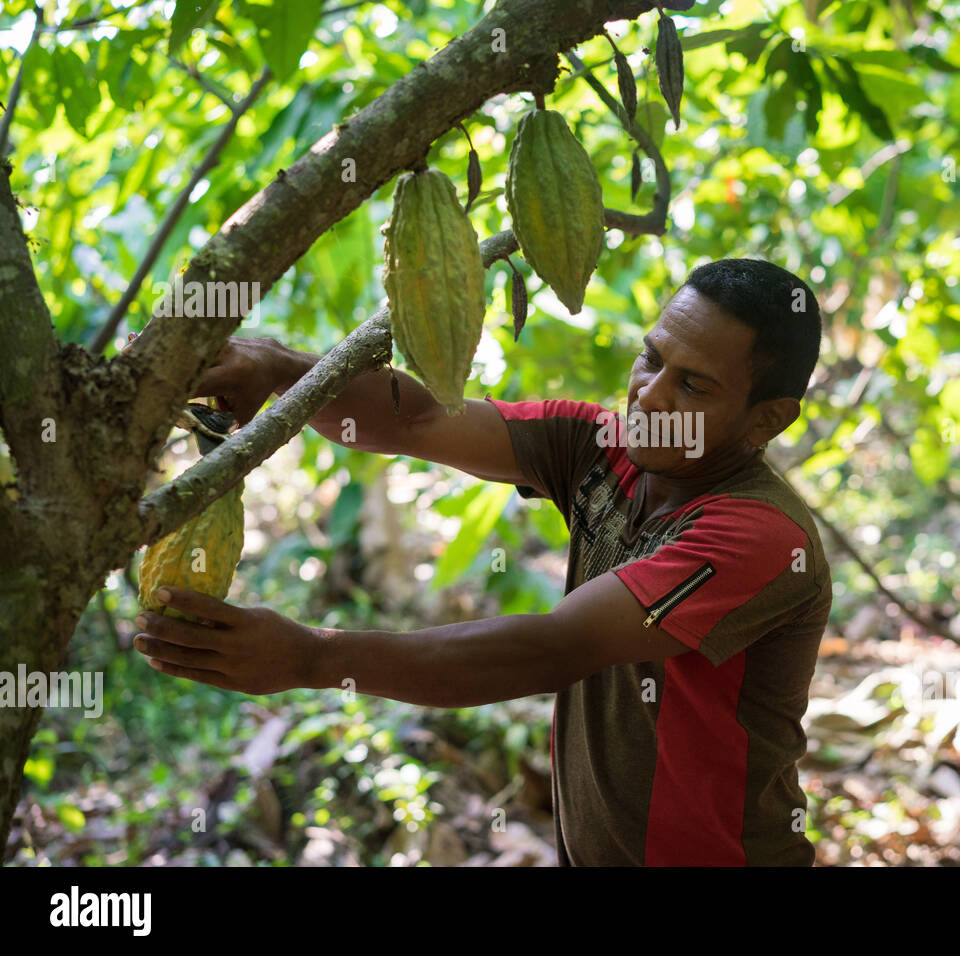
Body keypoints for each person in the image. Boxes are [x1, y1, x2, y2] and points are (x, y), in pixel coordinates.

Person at [132, 257, 833, 866]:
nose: (650, 395)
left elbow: (552, 649)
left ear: (767, 419)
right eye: (651, 359)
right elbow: (422, 419)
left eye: (694, 386)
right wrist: (277, 366)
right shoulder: (601, 445)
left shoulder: (760, 536)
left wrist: (310, 659)